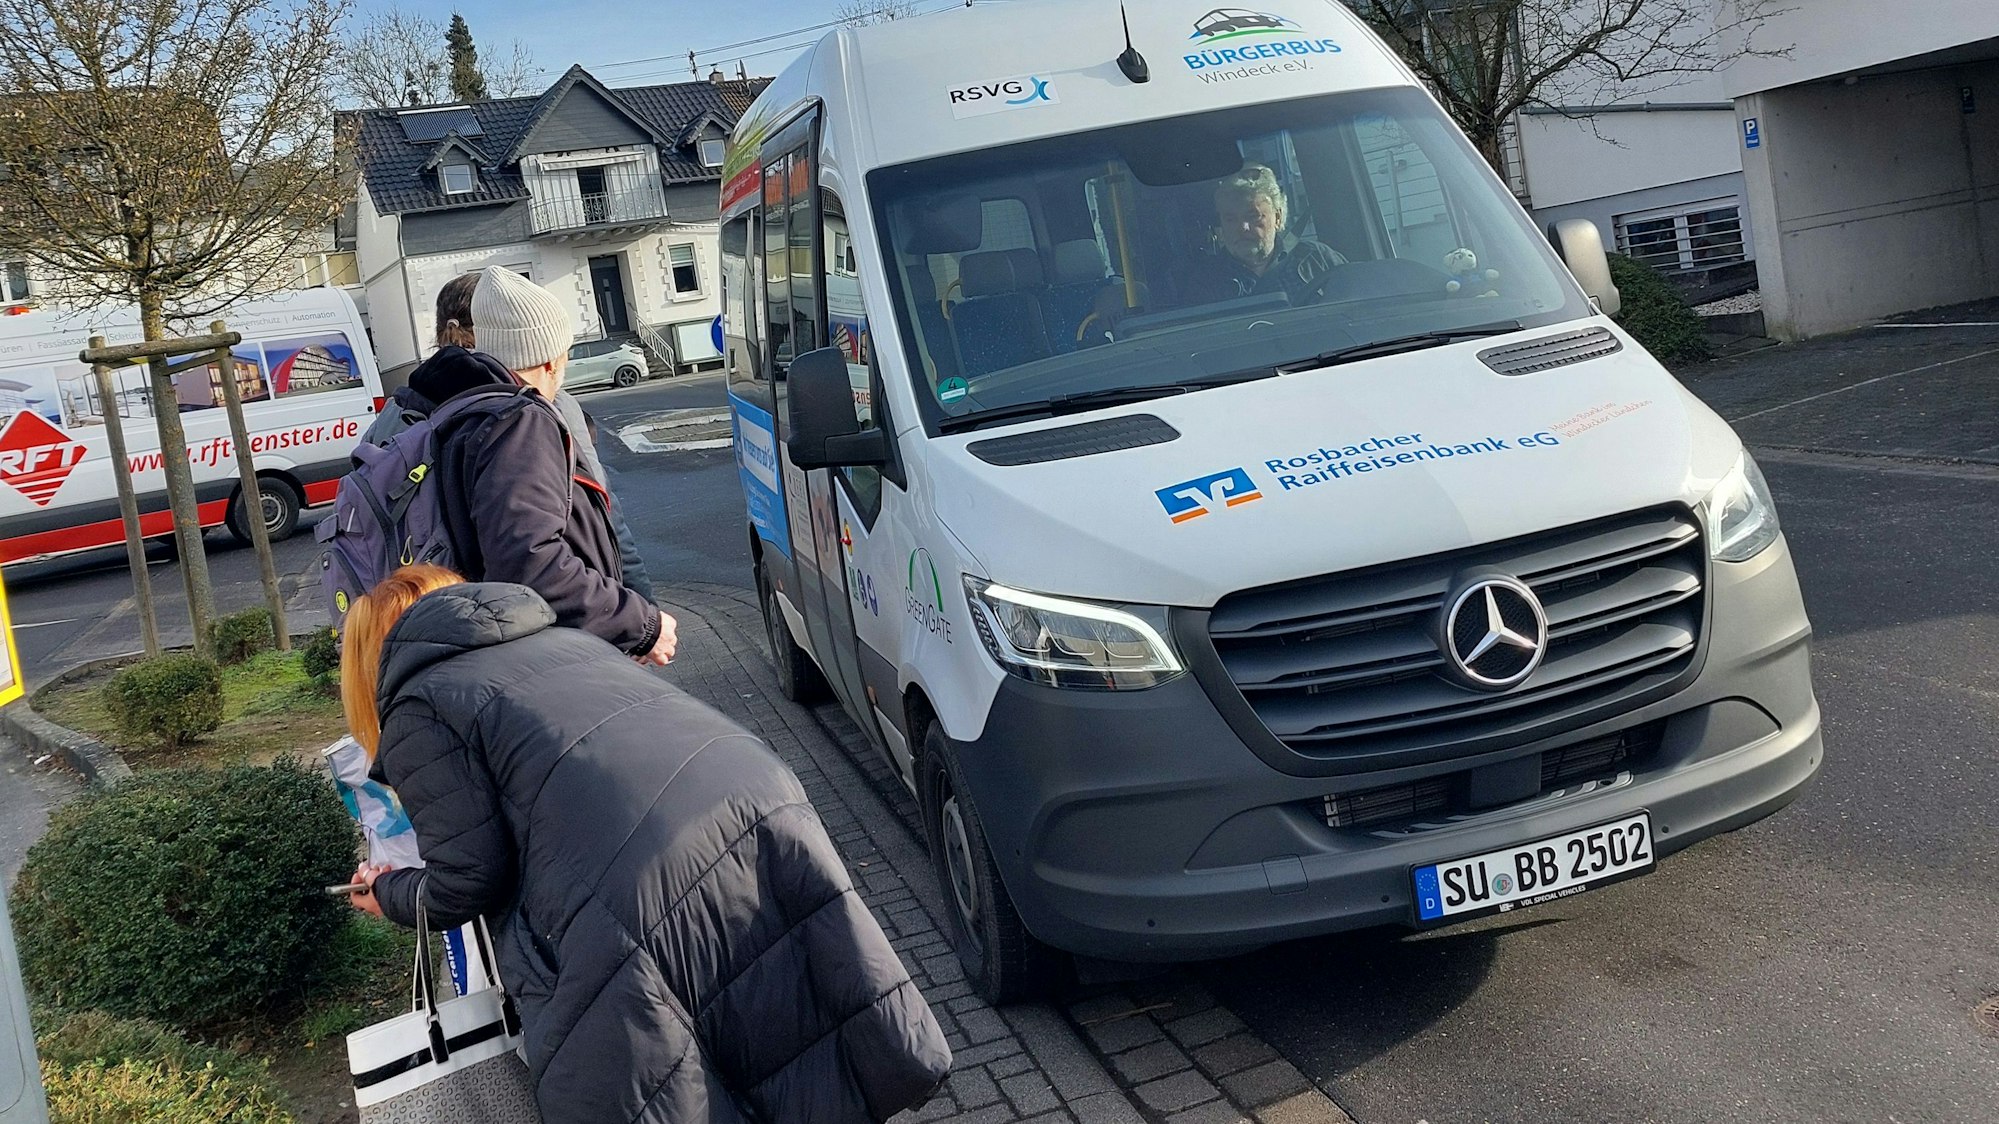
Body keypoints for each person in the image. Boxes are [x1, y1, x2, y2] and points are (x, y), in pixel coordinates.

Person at [341, 566, 951, 1122]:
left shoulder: (418, 703)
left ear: (372, 658)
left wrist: (388, 891)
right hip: (757, 804)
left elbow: (468, 878)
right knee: (786, 1039)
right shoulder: (560, 638)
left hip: (642, 877)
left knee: (662, 1085)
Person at [406, 266, 673, 663]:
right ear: (550, 360)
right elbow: (530, 560)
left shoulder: (441, 410)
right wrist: (639, 622)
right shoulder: (522, 422)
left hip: (475, 643)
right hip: (549, 652)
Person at [1190, 163, 1346, 305]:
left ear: (1277, 218)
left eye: (1253, 216)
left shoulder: (1316, 259)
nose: (1242, 227)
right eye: (1230, 219)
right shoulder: (1205, 282)